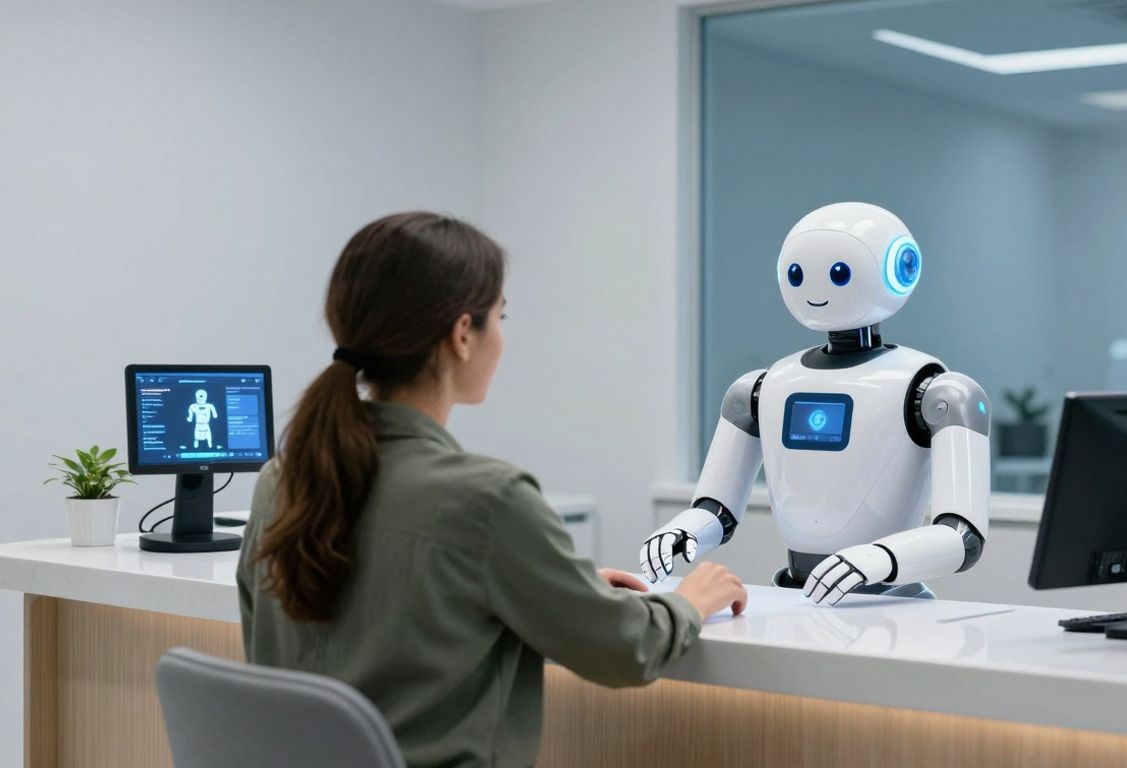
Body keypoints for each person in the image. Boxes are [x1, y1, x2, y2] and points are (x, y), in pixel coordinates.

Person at [236, 212, 747, 768]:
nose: (501, 336)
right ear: (461, 334)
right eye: (499, 317)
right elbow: (624, 650)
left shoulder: (279, 482)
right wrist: (690, 602)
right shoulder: (489, 499)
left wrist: (547, 590)